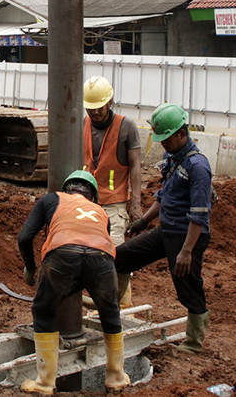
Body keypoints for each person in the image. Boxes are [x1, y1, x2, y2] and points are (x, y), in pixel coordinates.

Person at [16, 169, 130, 393]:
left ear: (66, 188)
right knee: (110, 312)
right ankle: (116, 378)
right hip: (103, 260)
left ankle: (45, 383)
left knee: (44, 311)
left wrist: (31, 268)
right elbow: (93, 249)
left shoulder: (52, 199)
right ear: (92, 196)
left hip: (62, 254)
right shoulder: (100, 211)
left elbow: (24, 237)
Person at [116, 103, 212, 354]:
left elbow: (199, 214)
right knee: (122, 257)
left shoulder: (198, 167)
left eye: (166, 139)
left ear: (181, 133)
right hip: (166, 230)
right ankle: (109, 309)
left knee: (188, 287)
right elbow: (163, 197)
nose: (163, 144)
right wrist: (144, 221)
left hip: (187, 236)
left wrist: (187, 251)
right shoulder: (172, 158)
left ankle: (194, 343)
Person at [82, 75, 142, 307]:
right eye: (90, 109)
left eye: (99, 108)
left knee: (117, 256)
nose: (95, 113)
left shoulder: (126, 127)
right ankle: (98, 305)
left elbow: (136, 166)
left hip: (115, 203)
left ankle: (122, 307)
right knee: (87, 255)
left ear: (109, 102)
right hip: (87, 203)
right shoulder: (84, 124)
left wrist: (135, 204)